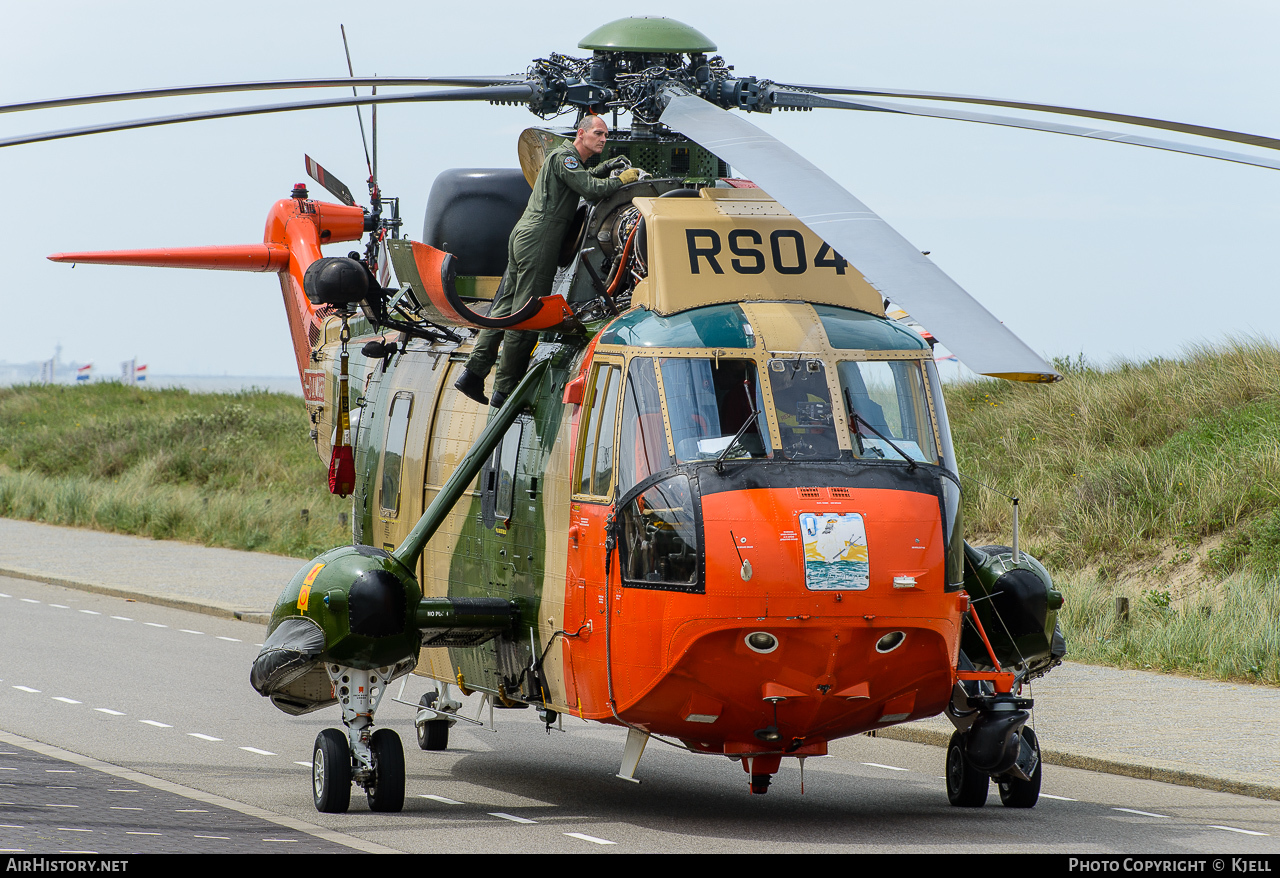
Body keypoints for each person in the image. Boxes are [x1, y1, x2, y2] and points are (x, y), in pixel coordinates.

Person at [455, 115, 642, 408]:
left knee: (504, 307)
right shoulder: (565, 158)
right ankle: (505, 389)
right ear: (581, 134)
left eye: (605, 135)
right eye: (598, 133)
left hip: (525, 235)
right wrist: (621, 179)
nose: (603, 139)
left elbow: (584, 177)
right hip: (540, 239)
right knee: (528, 312)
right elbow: (591, 189)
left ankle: (473, 374)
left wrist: (605, 167)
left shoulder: (566, 160)